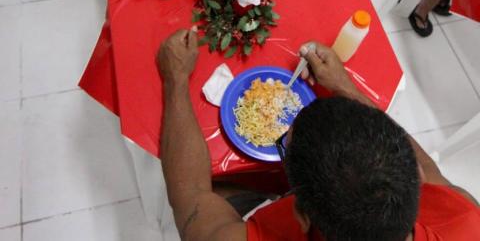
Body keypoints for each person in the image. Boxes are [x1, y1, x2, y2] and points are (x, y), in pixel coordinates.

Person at [156, 28, 480, 241]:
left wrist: (176, 79)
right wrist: (344, 87)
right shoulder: (465, 217)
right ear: (416, 175)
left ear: (300, 214)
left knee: (222, 184)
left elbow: (191, 197)